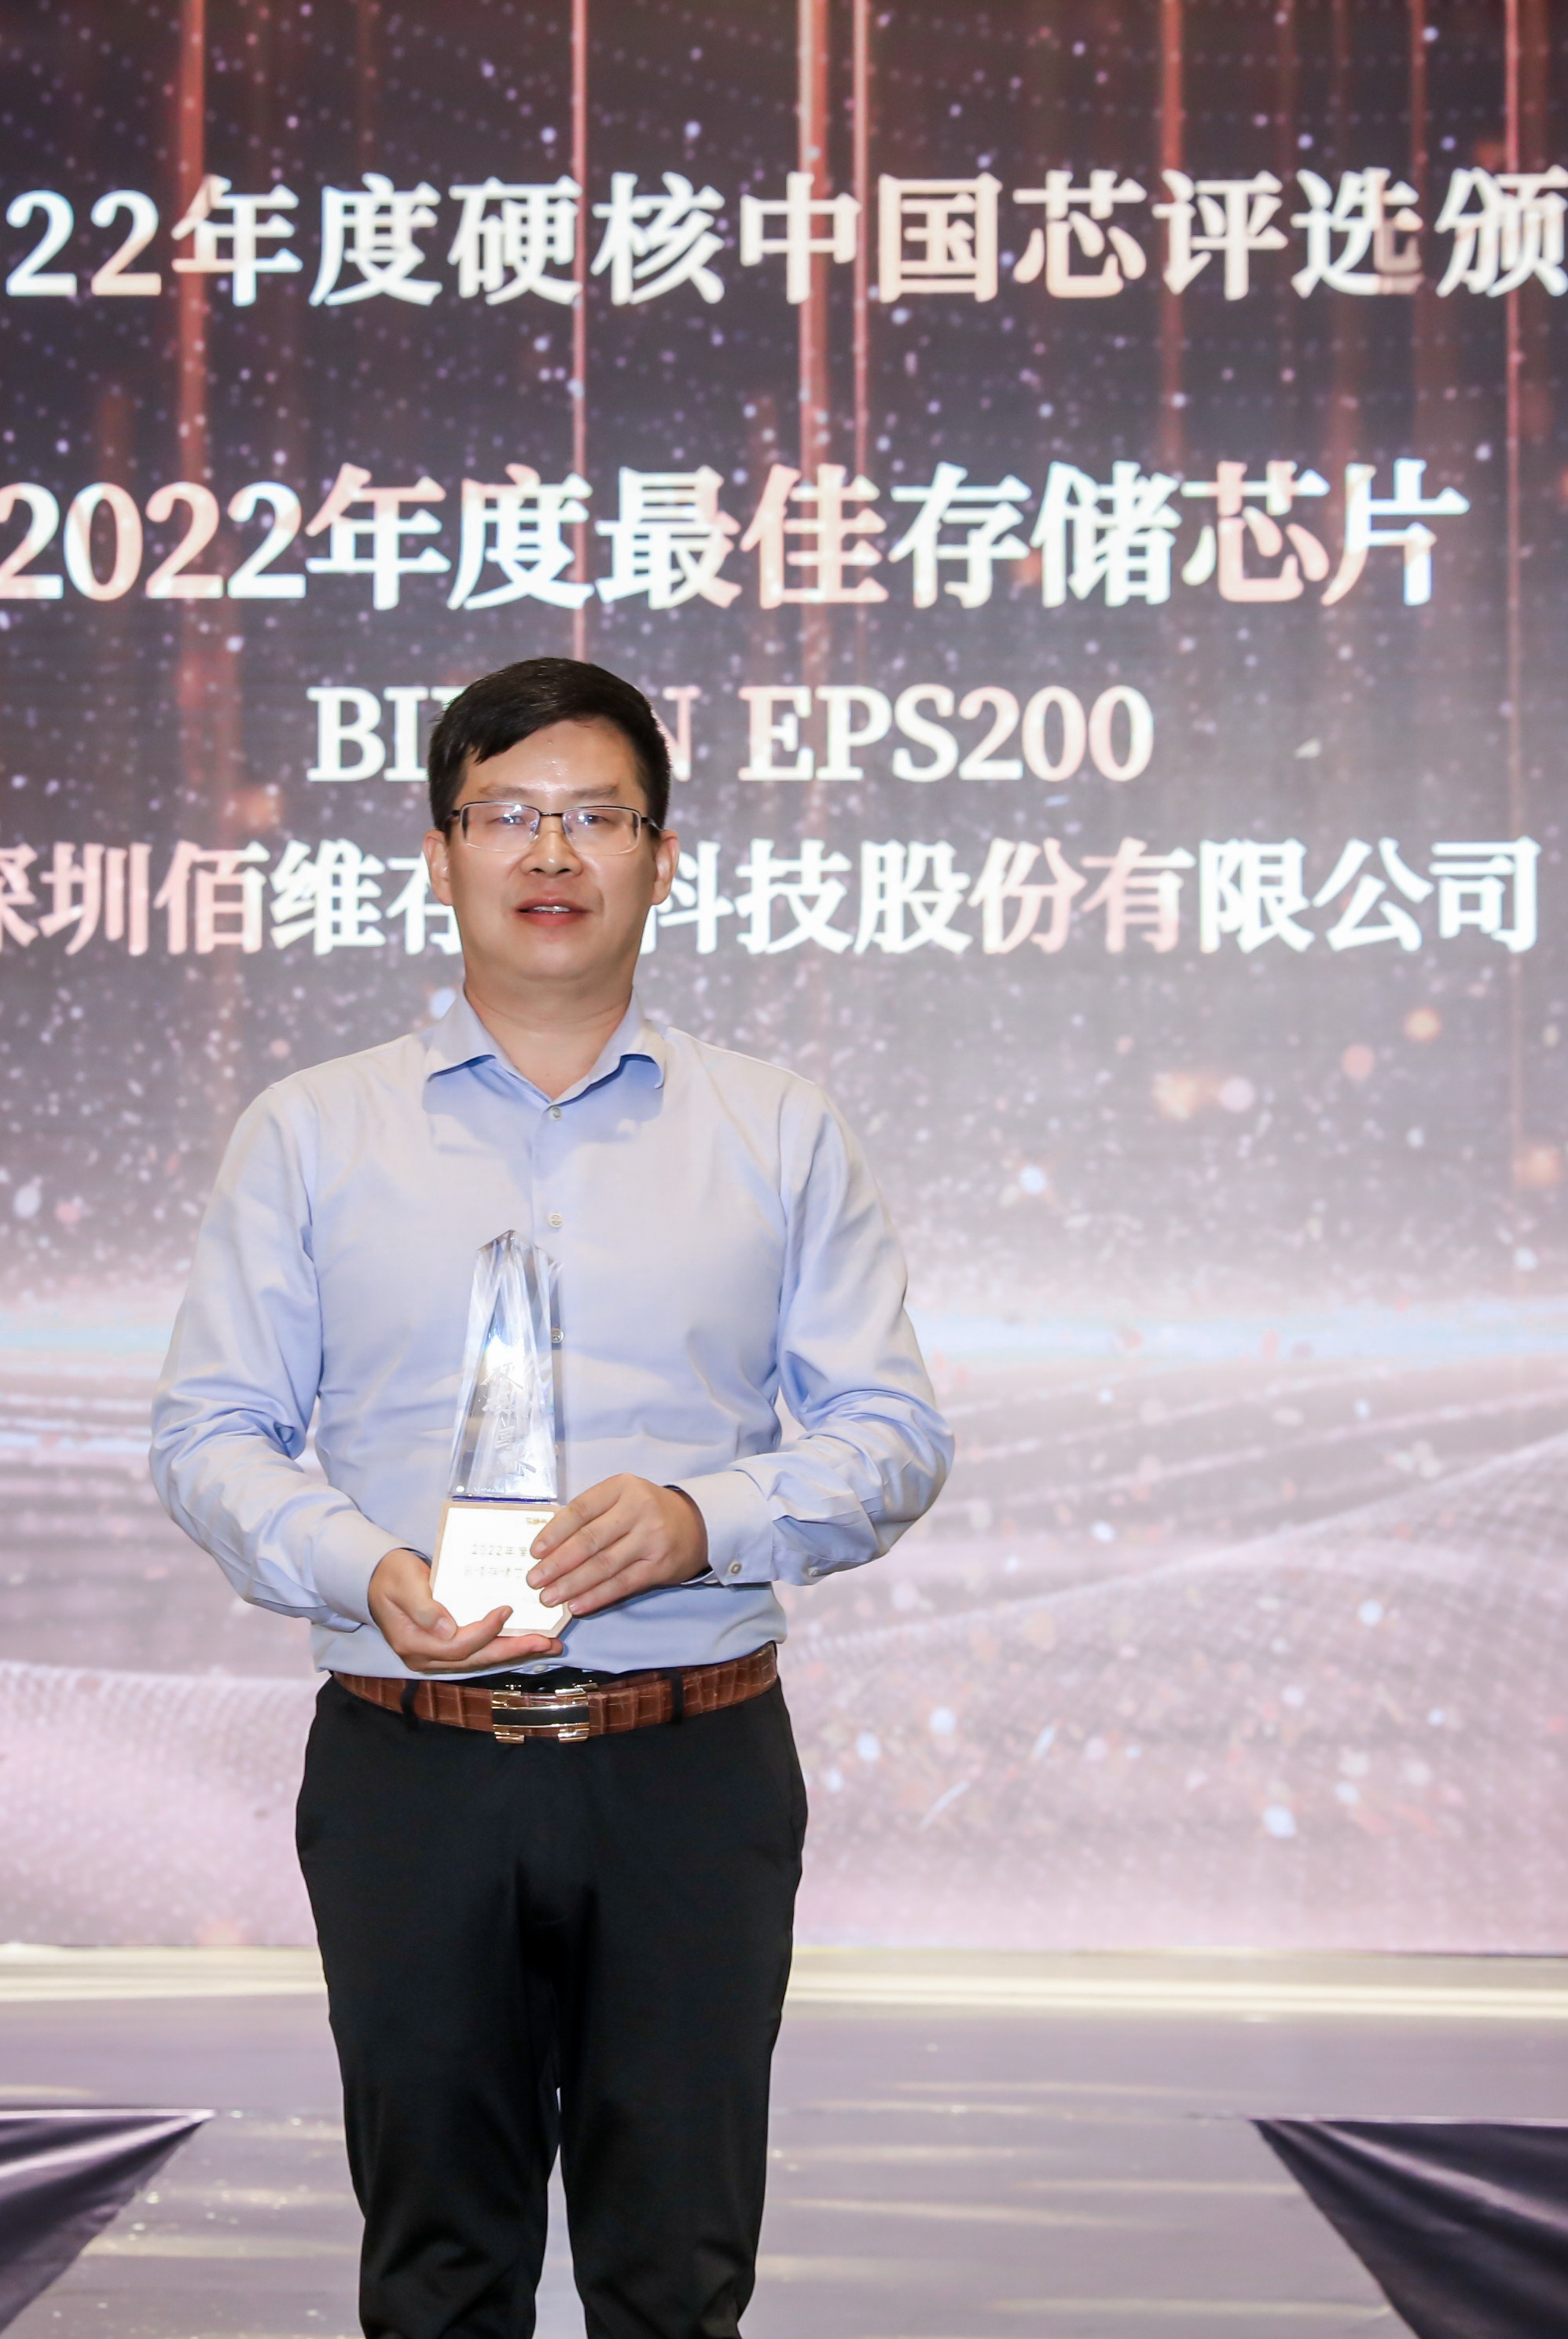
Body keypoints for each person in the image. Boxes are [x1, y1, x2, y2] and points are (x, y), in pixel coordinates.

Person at [151, 657, 952, 2339]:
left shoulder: (777, 1130)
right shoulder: (309, 1135)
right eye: (507, 814)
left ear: (663, 860)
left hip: (688, 1765)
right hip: (412, 1768)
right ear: (438, 854)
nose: (552, 853)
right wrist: (356, 1564)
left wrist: (704, 1519)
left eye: (597, 815)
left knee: (676, 2278)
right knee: (436, 2275)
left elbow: (887, 1433)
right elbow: (211, 1433)